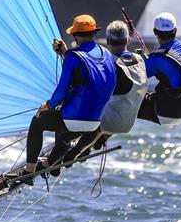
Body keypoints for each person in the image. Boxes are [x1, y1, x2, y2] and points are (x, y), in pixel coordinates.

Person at [15, 15, 116, 177]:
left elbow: (61, 92)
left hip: (74, 120)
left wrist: (47, 105)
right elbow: (87, 73)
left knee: (37, 122)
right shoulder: (106, 54)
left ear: (75, 35)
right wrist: (65, 53)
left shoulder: (73, 57)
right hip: (95, 124)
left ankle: (29, 170)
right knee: (64, 135)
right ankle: (54, 166)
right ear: (93, 33)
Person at [59, 20, 148, 166]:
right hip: (128, 122)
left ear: (107, 41)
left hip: (109, 121)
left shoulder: (110, 63)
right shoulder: (139, 59)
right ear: (127, 40)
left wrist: (64, 54)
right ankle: (89, 146)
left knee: (69, 129)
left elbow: (83, 75)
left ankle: (76, 152)